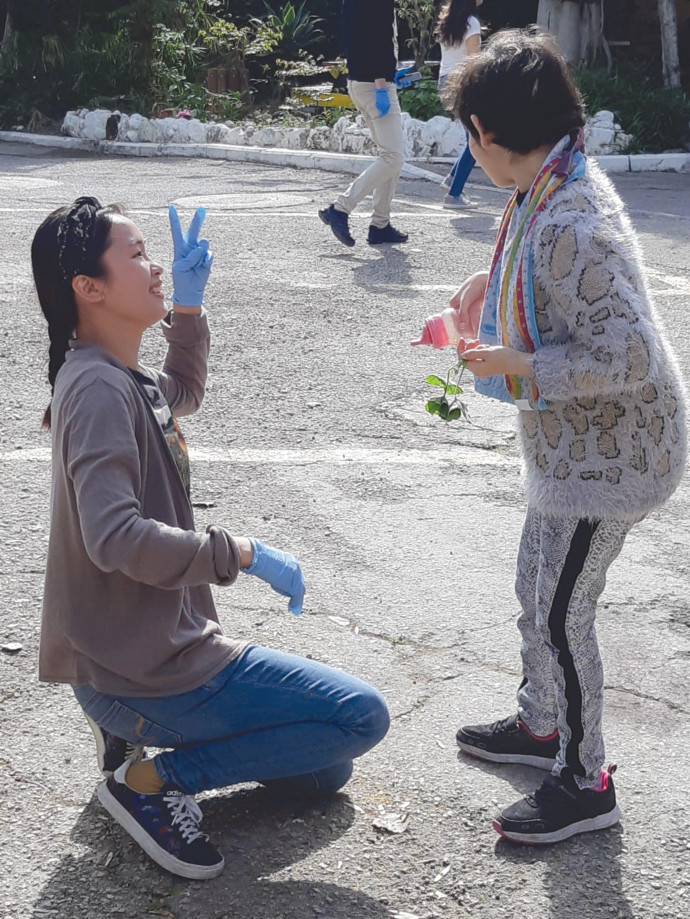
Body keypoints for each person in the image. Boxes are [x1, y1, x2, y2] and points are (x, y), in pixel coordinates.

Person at [32, 197, 390, 880]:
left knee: (326, 768)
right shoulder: (99, 389)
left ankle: (130, 742)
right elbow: (115, 538)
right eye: (135, 255)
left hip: (140, 657)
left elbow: (181, 392)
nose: (157, 264)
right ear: (89, 288)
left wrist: (188, 313)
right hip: (144, 668)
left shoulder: (115, 372)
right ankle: (150, 781)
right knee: (359, 717)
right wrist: (242, 553)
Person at [442, 30, 687, 844]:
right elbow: (529, 260)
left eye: (467, 134)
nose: (470, 150)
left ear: (487, 133)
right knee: (533, 582)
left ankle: (587, 780)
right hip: (571, 449)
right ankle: (540, 723)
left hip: (615, 458)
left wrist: (523, 362)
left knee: (561, 613)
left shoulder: (571, 218)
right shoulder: (544, 181)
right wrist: (489, 282)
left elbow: (631, 352)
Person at [319, 0, 409, 247]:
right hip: (374, 86)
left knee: (389, 155)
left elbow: (358, 36)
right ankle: (340, 208)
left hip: (359, 82)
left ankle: (380, 224)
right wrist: (382, 82)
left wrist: (391, 73)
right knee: (393, 157)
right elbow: (375, 38)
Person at [436, 0, 483, 209]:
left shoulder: (448, 22)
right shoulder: (471, 22)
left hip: (445, 81)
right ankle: (453, 195)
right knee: (477, 142)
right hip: (462, 82)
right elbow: (474, 61)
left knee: (472, 138)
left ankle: (451, 180)